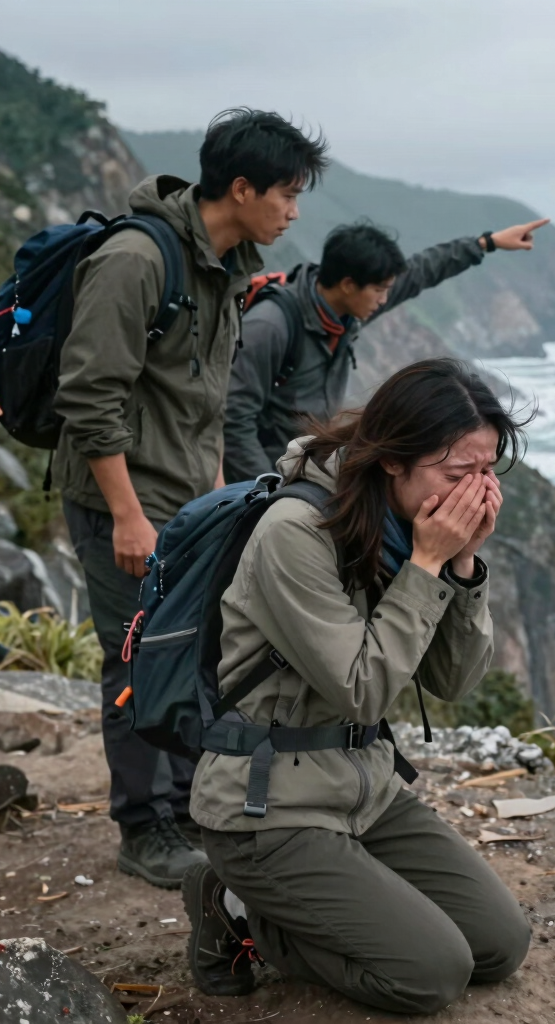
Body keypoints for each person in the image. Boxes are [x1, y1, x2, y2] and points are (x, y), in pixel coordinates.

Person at [184, 358, 533, 1011]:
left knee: (499, 944)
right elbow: (363, 689)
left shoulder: (404, 525)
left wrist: (460, 564)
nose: (476, 491)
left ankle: (321, 896)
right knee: (432, 973)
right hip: (268, 807)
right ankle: (234, 908)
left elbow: (453, 681)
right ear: (394, 459)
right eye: (460, 474)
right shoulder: (295, 533)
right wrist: (427, 564)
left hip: (362, 787)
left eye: (488, 472)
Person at [54, 108, 330, 889]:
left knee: (187, 651)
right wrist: (127, 515)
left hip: (183, 502)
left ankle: (183, 808)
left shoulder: (226, 264)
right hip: (122, 501)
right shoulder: (138, 259)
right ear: (240, 188)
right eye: (286, 192)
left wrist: (213, 496)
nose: (294, 210)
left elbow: (203, 396)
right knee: (136, 658)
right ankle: (144, 829)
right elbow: (89, 395)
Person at [221, 217, 549, 483]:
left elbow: (420, 272)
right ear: (349, 284)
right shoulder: (271, 326)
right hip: (265, 477)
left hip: (305, 466)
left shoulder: (344, 308)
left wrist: (485, 243)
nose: (383, 299)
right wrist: (265, 487)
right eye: (378, 291)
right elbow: (234, 416)